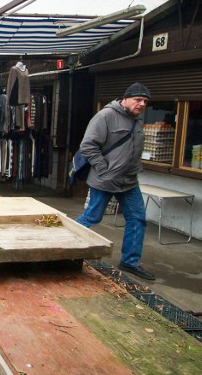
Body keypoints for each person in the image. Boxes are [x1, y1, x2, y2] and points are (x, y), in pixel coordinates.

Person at [76, 82, 155, 280]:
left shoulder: (136, 120)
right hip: (105, 180)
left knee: (137, 219)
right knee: (91, 218)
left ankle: (130, 262)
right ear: (126, 99)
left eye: (145, 101)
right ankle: (62, 248)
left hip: (128, 181)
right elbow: (88, 146)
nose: (142, 104)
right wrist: (104, 169)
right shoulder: (106, 116)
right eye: (138, 100)